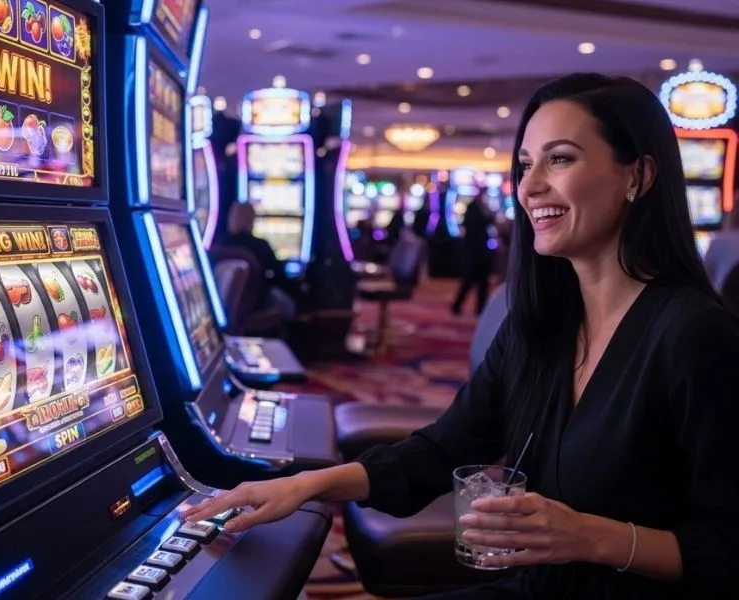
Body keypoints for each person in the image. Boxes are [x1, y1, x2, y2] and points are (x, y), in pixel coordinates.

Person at [183, 73, 739, 599]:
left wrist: (594, 537)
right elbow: (445, 448)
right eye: (524, 164)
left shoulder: (694, 336)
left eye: (560, 159)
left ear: (637, 176)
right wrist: (305, 485)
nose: (530, 186)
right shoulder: (541, 322)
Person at [219, 202, 297, 319]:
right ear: (252, 220)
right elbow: (280, 274)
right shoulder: (260, 245)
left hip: (224, 305)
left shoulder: (220, 244)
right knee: (289, 306)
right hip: (257, 303)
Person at [452, 193, 495, 315]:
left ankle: (479, 308)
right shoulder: (474, 209)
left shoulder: (479, 208)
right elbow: (479, 224)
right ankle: (458, 306)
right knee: (470, 281)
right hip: (474, 250)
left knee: (481, 282)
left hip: (479, 250)